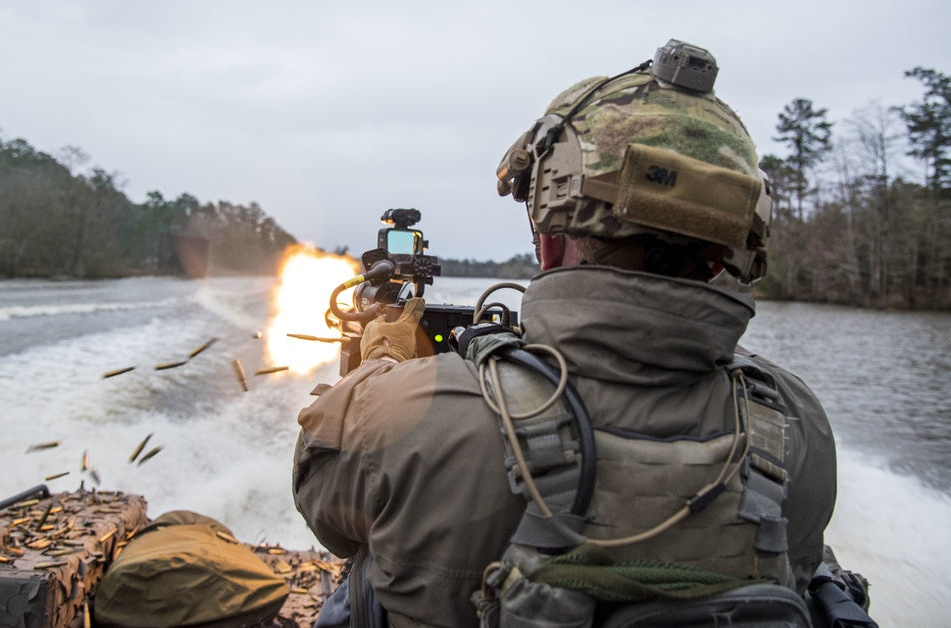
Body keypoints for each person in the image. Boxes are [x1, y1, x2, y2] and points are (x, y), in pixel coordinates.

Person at [293, 39, 837, 627]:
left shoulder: (401, 414)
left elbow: (325, 508)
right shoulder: (796, 424)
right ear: (729, 251)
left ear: (549, 237)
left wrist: (380, 370)